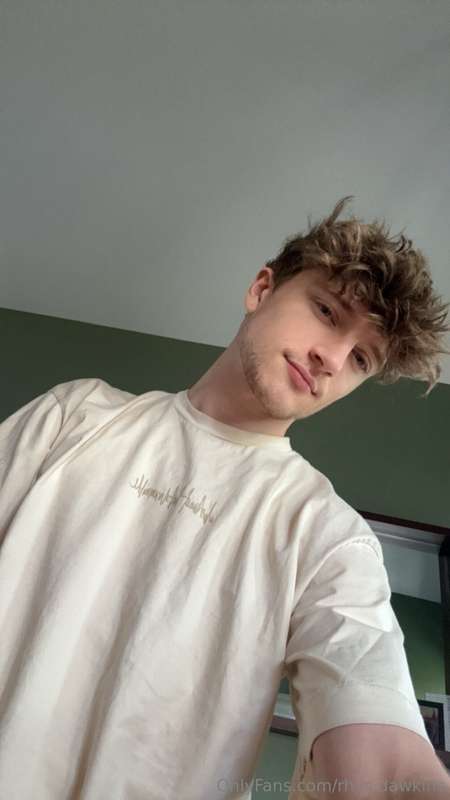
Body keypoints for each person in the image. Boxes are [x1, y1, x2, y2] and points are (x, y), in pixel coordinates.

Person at [0, 196, 449, 800]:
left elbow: (380, 749)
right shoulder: (74, 415)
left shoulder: (327, 536)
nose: (332, 359)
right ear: (262, 289)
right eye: (326, 311)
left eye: (361, 358)